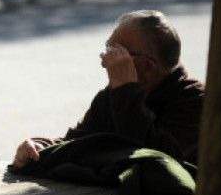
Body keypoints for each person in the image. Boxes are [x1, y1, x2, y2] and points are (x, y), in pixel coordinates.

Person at [12, 9, 205, 167]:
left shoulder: (195, 100)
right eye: (107, 48)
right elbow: (77, 142)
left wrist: (126, 91)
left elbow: (154, 158)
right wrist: (38, 148)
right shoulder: (112, 96)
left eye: (116, 53)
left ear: (147, 67)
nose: (105, 62)